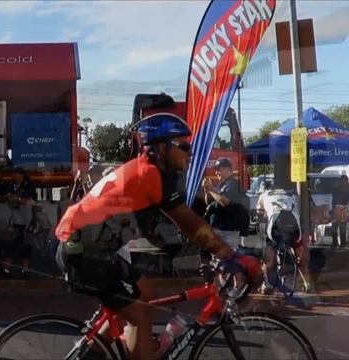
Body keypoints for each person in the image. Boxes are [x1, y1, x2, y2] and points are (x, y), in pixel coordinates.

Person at [55, 112, 261, 360]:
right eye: (183, 145)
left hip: (88, 247)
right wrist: (230, 255)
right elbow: (189, 223)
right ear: (161, 147)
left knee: (143, 292)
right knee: (139, 311)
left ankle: (93, 354)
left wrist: (197, 255)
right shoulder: (150, 174)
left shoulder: (144, 171)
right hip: (83, 250)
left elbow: (162, 234)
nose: (189, 151)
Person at [256, 184, 311, 293]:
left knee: (269, 257)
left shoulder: (264, 195)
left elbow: (259, 213)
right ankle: (307, 283)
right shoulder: (290, 194)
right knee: (299, 254)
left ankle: (267, 284)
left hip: (275, 226)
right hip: (294, 226)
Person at [202, 157, 249, 248]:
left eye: (218, 170)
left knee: (227, 256)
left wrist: (212, 189)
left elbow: (225, 202)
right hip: (219, 229)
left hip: (228, 230)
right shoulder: (221, 185)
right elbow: (208, 202)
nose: (216, 173)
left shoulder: (233, 184)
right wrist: (207, 190)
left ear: (227, 169)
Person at [3, 166, 36, 277]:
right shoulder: (10, 185)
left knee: (25, 246)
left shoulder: (29, 185)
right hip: (13, 219)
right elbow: (7, 197)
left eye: (15, 174)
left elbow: (30, 200)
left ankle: (25, 270)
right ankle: (6, 269)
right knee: (9, 245)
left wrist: (18, 199)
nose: (13, 176)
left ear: (21, 175)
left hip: (26, 220)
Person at [330, 175, 349, 249]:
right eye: (345, 181)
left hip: (343, 209)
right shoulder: (338, 188)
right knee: (335, 226)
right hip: (337, 208)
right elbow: (334, 197)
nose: (346, 182)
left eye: (346, 181)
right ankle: (336, 243)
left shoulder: (343, 188)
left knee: (342, 226)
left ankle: (341, 243)